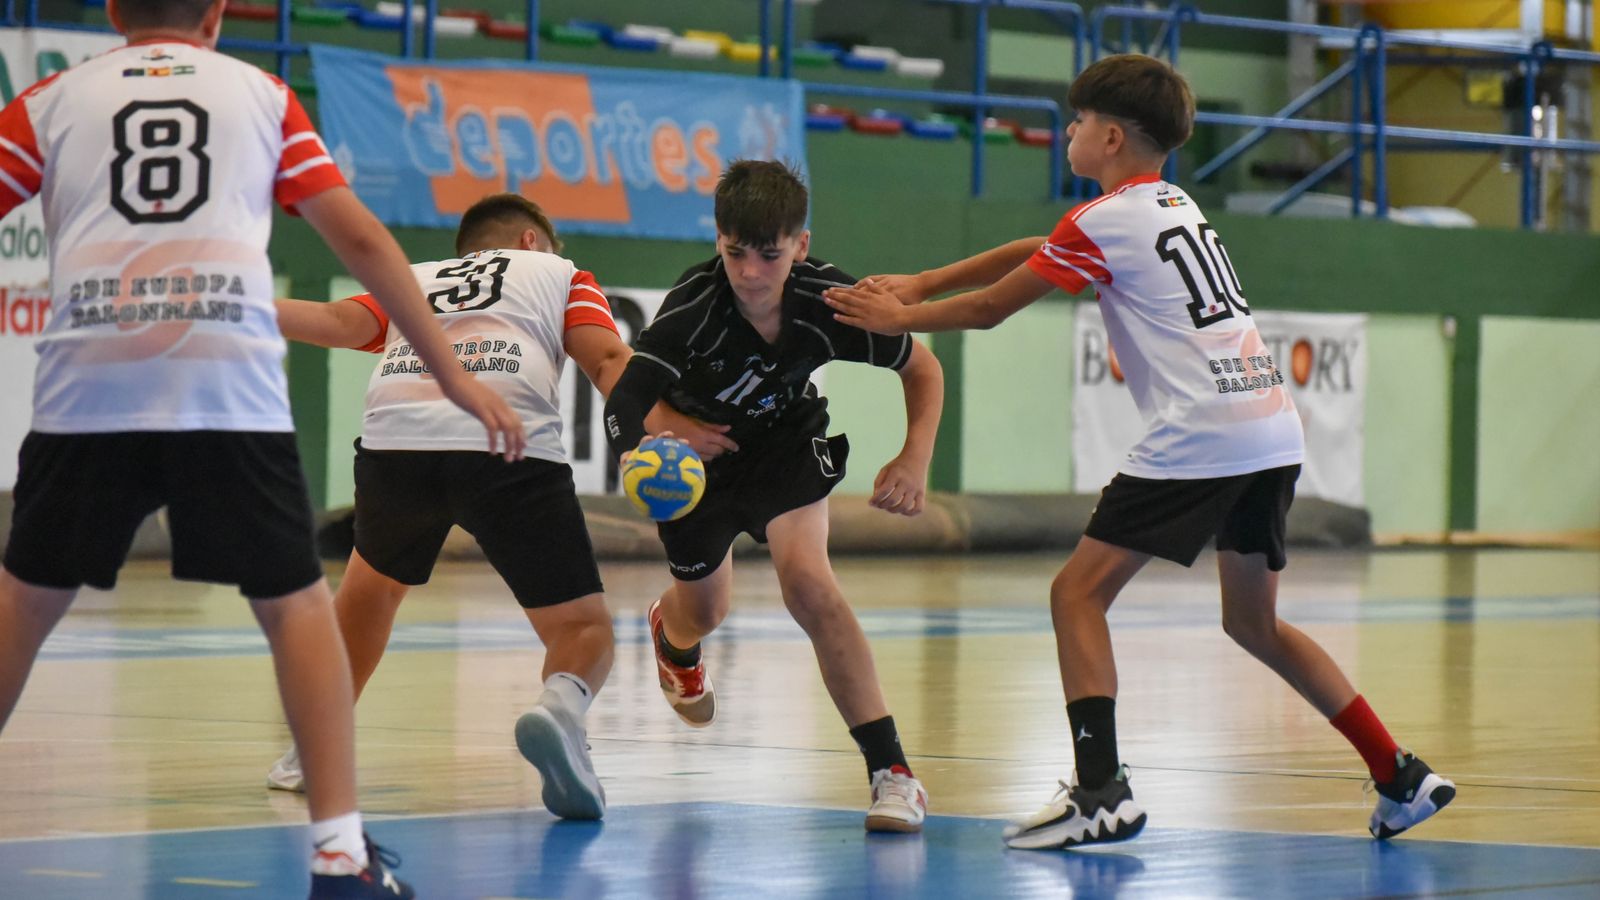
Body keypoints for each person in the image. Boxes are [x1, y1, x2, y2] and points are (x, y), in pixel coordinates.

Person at [823, 54, 1455, 849]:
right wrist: (922, 280)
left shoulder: (1102, 222)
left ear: (1111, 136)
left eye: (1078, 123)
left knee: (1076, 596)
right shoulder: (1165, 203)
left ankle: (1100, 793)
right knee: (1255, 625)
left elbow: (988, 311)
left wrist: (897, 320)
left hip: (1204, 432)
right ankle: (1399, 773)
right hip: (1269, 425)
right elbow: (1033, 247)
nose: (1069, 134)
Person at [0, 0, 524, 895]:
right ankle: (336, 854)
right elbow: (360, 239)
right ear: (215, 13)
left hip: (92, 377)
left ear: (115, 11)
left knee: (23, 602)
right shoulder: (261, 93)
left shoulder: (47, 102)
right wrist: (451, 373)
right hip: (222, 380)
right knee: (295, 609)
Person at [261, 193, 711, 821]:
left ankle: (307, 751)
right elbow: (608, 361)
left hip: (397, 442)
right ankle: (560, 712)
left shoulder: (416, 277)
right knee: (581, 629)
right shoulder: (562, 273)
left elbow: (337, 323)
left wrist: (238, 308)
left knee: (369, 596)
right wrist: (659, 434)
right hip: (504, 438)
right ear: (532, 243)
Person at [602, 160, 945, 833]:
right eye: (736, 253)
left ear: (802, 246)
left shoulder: (831, 302)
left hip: (786, 445)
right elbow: (625, 403)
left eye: (771, 254)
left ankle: (893, 773)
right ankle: (674, 639)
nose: (752, 273)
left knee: (810, 586)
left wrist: (915, 457)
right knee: (705, 610)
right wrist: (648, 450)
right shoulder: (692, 310)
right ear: (718, 241)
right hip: (697, 465)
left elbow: (922, 366)